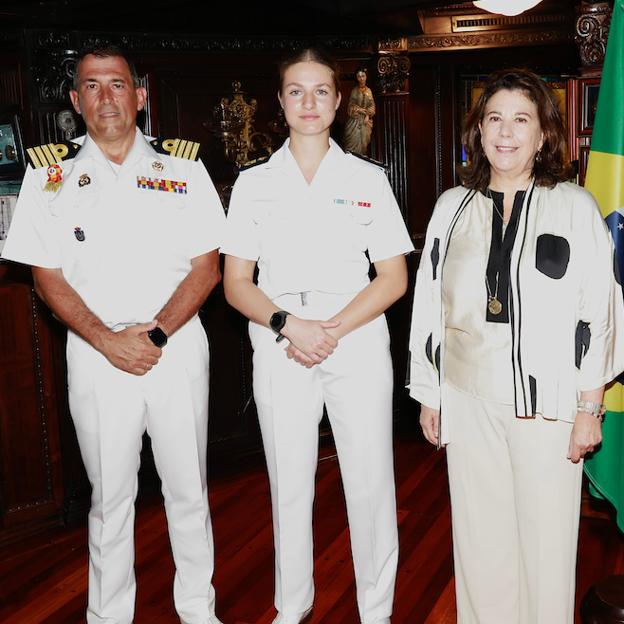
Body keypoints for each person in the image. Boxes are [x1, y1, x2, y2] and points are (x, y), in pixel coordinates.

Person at [1, 46, 225, 624]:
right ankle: (108, 616)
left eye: (118, 84)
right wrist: (106, 339)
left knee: (188, 490)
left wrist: (154, 335)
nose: (107, 97)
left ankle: (199, 612)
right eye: (93, 86)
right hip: (97, 356)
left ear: (141, 95)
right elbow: (44, 276)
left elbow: (207, 267)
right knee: (110, 499)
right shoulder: (48, 175)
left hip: (173, 349)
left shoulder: (182, 167)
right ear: (75, 102)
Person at [409, 67, 624, 624]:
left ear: (543, 134)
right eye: (494, 119)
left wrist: (588, 408)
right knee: (479, 542)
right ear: (478, 131)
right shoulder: (451, 207)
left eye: (520, 121)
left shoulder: (574, 206)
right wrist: (430, 393)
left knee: (546, 549)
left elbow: (599, 313)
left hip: (548, 405)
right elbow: (429, 303)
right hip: (468, 395)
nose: (505, 133)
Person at [221, 47, 413, 624]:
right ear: (280, 102)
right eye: (296, 91)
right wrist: (289, 325)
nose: (309, 102)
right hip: (280, 339)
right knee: (288, 481)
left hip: (352, 336)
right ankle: (293, 604)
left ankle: (375, 610)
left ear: (337, 101)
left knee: (370, 480)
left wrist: (329, 329)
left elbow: (394, 277)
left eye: (321, 91)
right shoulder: (253, 183)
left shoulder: (367, 179)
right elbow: (235, 283)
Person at [343, 68, 376, 155]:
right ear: (357, 78)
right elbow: (350, 105)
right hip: (355, 120)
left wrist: (367, 115)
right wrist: (359, 109)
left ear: (366, 77)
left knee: (363, 145)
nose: (361, 78)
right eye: (359, 76)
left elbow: (372, 105)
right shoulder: (354, 91)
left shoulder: (369, 91)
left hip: (365, 122)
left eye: (363, 76)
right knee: (351, 143)